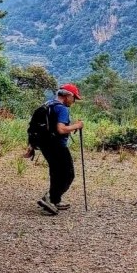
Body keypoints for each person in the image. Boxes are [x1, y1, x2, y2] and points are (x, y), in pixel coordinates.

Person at [33, 84, 84, 216]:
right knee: (68, 174)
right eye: (74, 98)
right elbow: (61, 129)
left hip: (45, 145)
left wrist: (31, 146)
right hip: (58, 145)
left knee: (56, 172)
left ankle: (55, 200)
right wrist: (76, 126)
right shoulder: (62, 109)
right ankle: (50, 198)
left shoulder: (48, 104)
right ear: (68, 96)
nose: (74, 101)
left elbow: (37, 126)